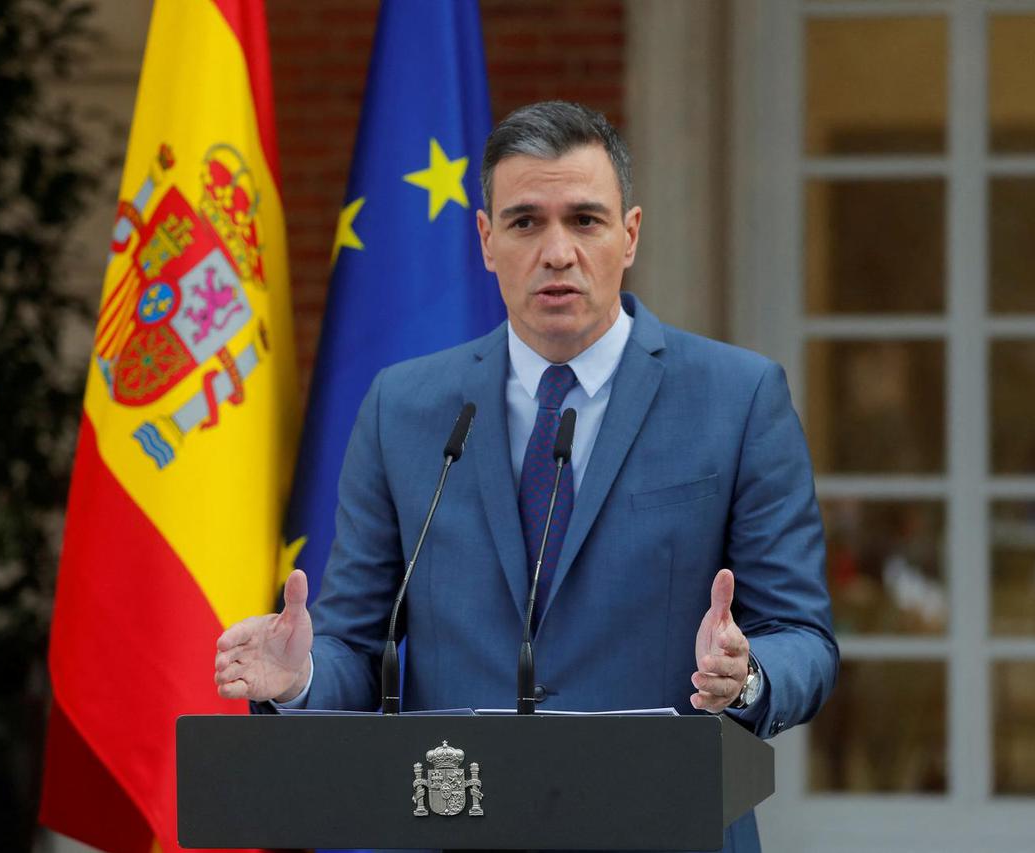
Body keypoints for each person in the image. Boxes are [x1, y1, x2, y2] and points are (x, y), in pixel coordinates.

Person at [214, 101, 837, 853]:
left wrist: (748, 676)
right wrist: (300, 675)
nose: (557, 251)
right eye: (524, 222)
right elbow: (354, 642)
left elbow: (802, 636)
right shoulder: (404, 409)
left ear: (630, 234)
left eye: (584, 220)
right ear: (485, 240)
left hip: (667, 830)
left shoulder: (738, 399)